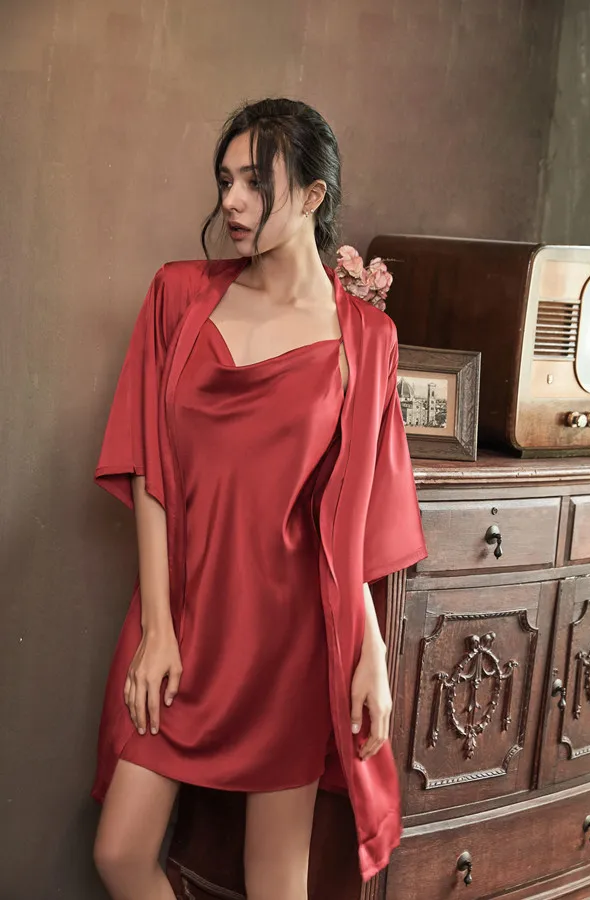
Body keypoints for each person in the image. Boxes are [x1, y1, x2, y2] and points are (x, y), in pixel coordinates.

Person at [91, 98, 426, 900]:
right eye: (225, 181)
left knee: (275, 880)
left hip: (289, 641)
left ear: (312, 195)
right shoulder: (178, 297)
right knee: (120, 854)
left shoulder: (365, 340)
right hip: (184, 619)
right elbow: (149, 470)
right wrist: (159, 629)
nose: (233, 202)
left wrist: (372, 656)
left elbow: (353, 518)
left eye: (255, 182)